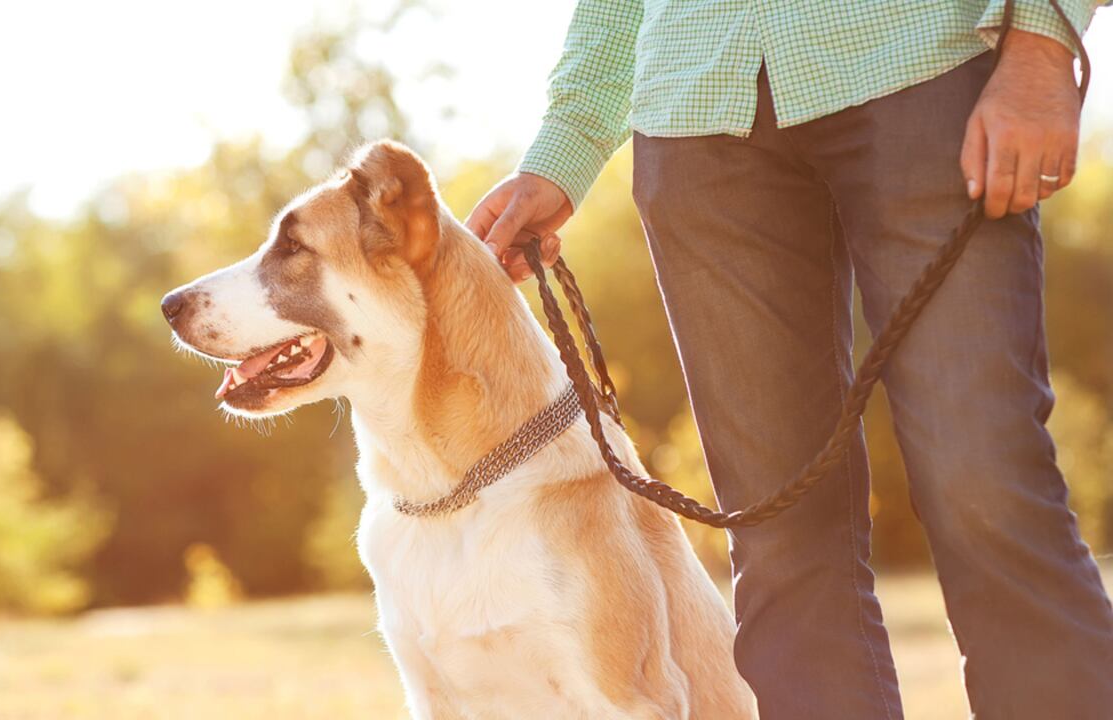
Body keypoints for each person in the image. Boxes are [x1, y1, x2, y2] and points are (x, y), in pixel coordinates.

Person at [466, 1, 1113, 717]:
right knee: (780, 546)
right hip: (696, 111)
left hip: (923, 61)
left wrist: (1040, 47)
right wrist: (568, 141)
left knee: (986, 490)